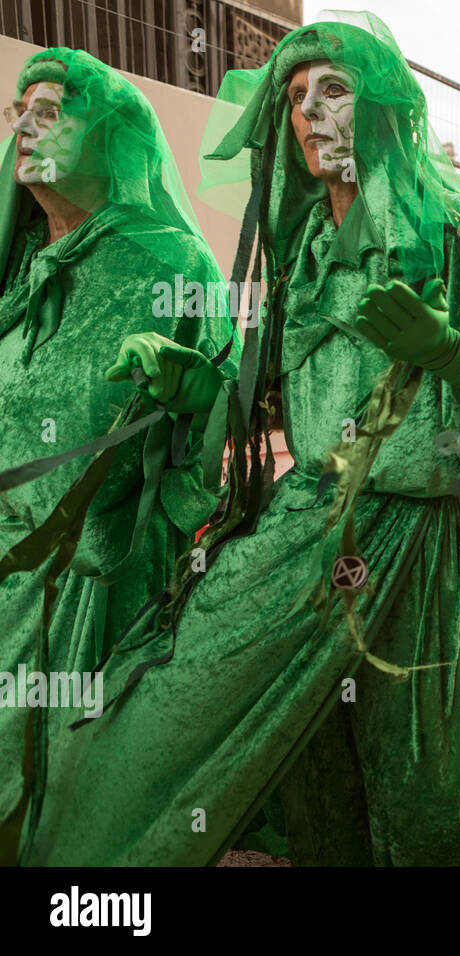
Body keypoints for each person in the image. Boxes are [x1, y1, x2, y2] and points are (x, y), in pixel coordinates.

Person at [24, 14, 460, 867]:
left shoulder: (447, 227)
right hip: (304, 525)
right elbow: (264, 404)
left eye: (334, 91)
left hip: (415, 534)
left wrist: (450, 351)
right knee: (308, 774)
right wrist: (195, 383)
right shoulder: (303, 244)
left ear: (379, 106)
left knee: (416, 797)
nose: (310, 112)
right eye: (297, 96)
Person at [0, 47, 239, 847]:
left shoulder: (174, 263)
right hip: (5, 580)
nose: (25, 127)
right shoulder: (17, 271)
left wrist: (195, 392)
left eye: (50, 111)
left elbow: (232, 415)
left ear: (107, 137)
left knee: (86, 808)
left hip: (102, 586)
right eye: (18, 111)